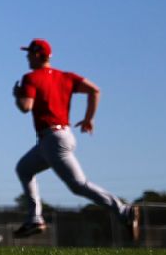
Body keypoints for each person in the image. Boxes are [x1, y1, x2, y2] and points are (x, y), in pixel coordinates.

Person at [12, 38, 140, 242]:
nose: (27, 56)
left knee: (78, 185)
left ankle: (123, 210)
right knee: (24, 169)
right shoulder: (66, 77)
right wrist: (89, 118)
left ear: (38, 54)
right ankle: (34, 218)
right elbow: (94, 90)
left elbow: (26, 106)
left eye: (29, 53)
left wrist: (17, 96)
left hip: (53, 140)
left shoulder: (31, 78)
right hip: (57, 138)